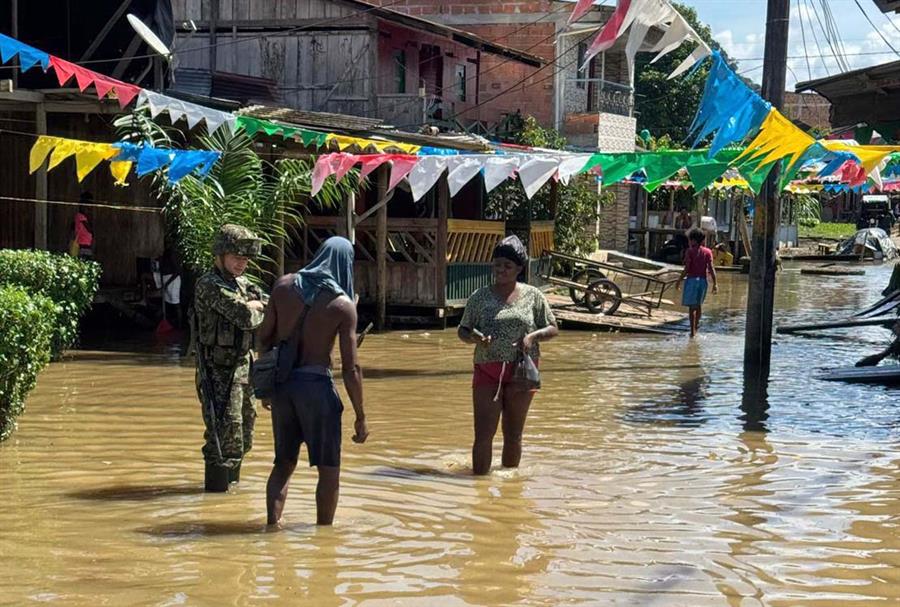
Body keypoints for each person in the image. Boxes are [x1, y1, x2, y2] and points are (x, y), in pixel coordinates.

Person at [257, 236, 368, 526]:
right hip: (317, 390)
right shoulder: (342, 306)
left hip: (283, 387)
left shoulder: (283, 286)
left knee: (283, 463)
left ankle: (272, 527)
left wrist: (267, 387)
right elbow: (351, 367)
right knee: (329, 470)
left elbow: (264, 338)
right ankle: (324, 539)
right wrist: (360, 415)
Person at [457, 235, 559, 476]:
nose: (501, 270)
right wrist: (476, 338)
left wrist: (532, 337)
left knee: (513, 434)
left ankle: (509, 486)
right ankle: (479, 484)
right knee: (483, 434)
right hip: (487, 368)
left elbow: (553, 327)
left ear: (519, 270)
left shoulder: (533, 296)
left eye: (507, 266)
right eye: (497, 264)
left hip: (522, 371)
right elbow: (463, 330)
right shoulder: (479, 296)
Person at [193, 224, 268, 492]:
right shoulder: (209, 285)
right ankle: (215, 498)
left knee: (244, 436)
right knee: (222, 439)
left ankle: (230, 495)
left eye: (245, 259)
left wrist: (256, 305)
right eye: (236, 258)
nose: (241, 264)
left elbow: (273, 306)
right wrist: (255, 307)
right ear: (220, 254)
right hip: (217, 373)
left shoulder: (243, 284)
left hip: (243, 369)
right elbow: (245, 317)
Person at [676, 228, 718, 338]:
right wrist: (715, 283)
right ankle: (697, 326)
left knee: (691, 308)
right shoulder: (708, 252)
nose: (689, 242)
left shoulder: (689, 251)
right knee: (698, 305)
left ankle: (692, 332)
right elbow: (711, 268)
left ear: (693, 240)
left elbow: (687, 268)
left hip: (692, 281)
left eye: (690, 240)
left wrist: (679, 280)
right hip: (703, 281)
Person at [71, 194, 94, 259]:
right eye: (87, 208)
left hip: (85, 243)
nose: (89, 211)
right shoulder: (81, 217)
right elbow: (89, 229)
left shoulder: (79, 217)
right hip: (83, 243)